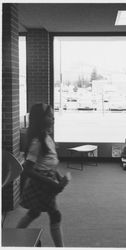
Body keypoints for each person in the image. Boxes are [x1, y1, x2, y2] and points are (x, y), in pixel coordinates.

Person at [17, 103, 71, 247]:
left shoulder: (47, 137)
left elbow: (49, 162)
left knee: (34, 213)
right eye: (49, 116)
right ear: (40, 119)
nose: (53, 118)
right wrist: (51, 182)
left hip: (47, 182)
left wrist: (58, 176)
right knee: (55, 215)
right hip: (42, 185)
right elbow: (27, 169)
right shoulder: (37, 141)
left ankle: (14, 235)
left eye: (53, 116)